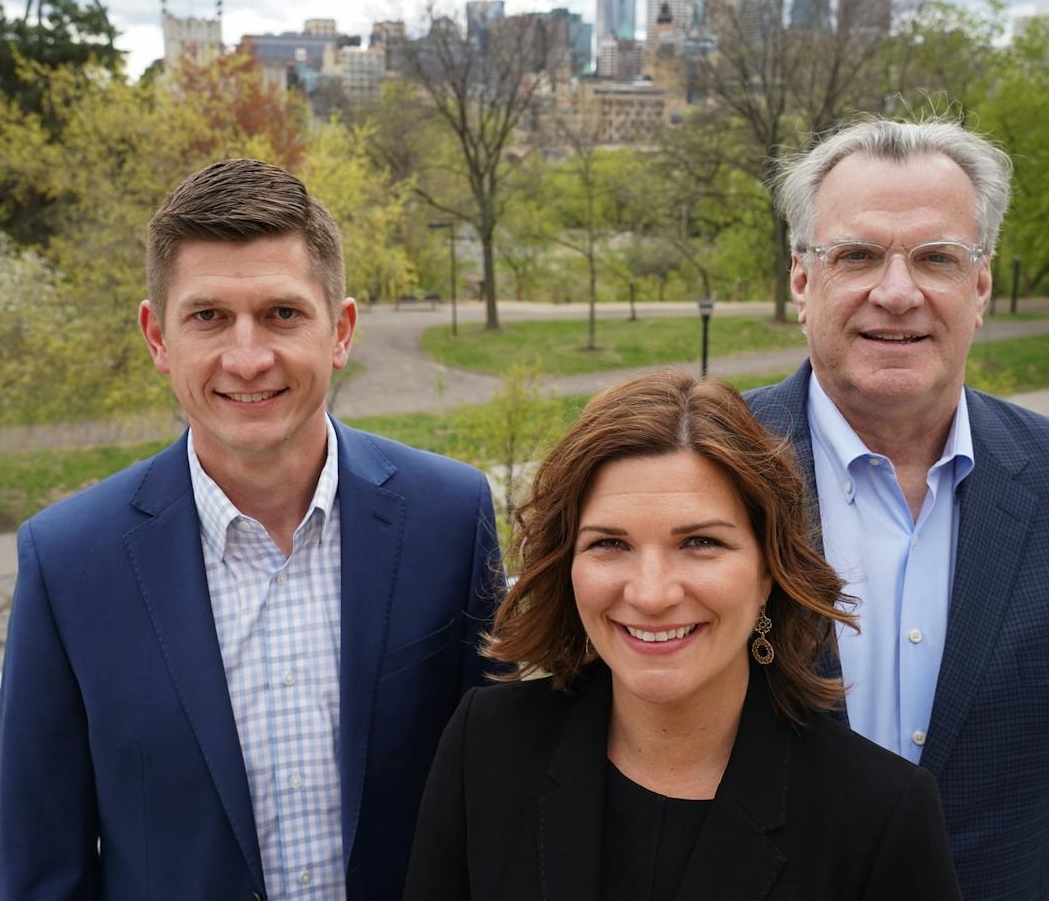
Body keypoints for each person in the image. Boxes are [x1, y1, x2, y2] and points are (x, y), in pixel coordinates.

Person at [0, 159, 502, 900]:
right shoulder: (68, 564)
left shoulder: (450, 516)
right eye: (208, 316)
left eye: (282, 313)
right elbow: (45, 870)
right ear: (157, 337)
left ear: (341, 330)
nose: (247, 355)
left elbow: (496, 799)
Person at [745, 117, 1049, 899]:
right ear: (802, 280)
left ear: (980, 286)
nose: (896, 291)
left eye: (936, 258)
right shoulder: (703, 469)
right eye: (855, 255)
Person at [405, 370, 962, 901]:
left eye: (699, 543)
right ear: (566, 564)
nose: (651, 594)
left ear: (769, 571)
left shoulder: (880, 814)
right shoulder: (485, 746)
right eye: (610, 544)